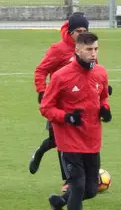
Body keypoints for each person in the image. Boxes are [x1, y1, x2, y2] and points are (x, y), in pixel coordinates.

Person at [40, 32, 110, 210]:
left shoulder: (101, 73)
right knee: (78, 187)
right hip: (69, 142)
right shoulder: (61, 76)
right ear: (77, 50)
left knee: (90, 190)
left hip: (92, 140)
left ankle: (60, 202)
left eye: (96, 49)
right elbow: (46, 107)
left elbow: (103, 97)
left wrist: (105, 109)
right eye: (89, 50)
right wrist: (66, 117)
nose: (93, 54)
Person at [29, 13, 94, 193]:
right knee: (60, 140)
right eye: (78, 31)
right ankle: (68, 179)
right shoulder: (58, 49)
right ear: (70, 31)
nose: (81, 34)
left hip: (81, 102)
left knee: (77, 138)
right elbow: (41, 71)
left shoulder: (89, 48)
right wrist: (42, 91)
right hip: (59, 103)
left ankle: (83, 175)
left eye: (84, 31)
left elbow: (93, 70)